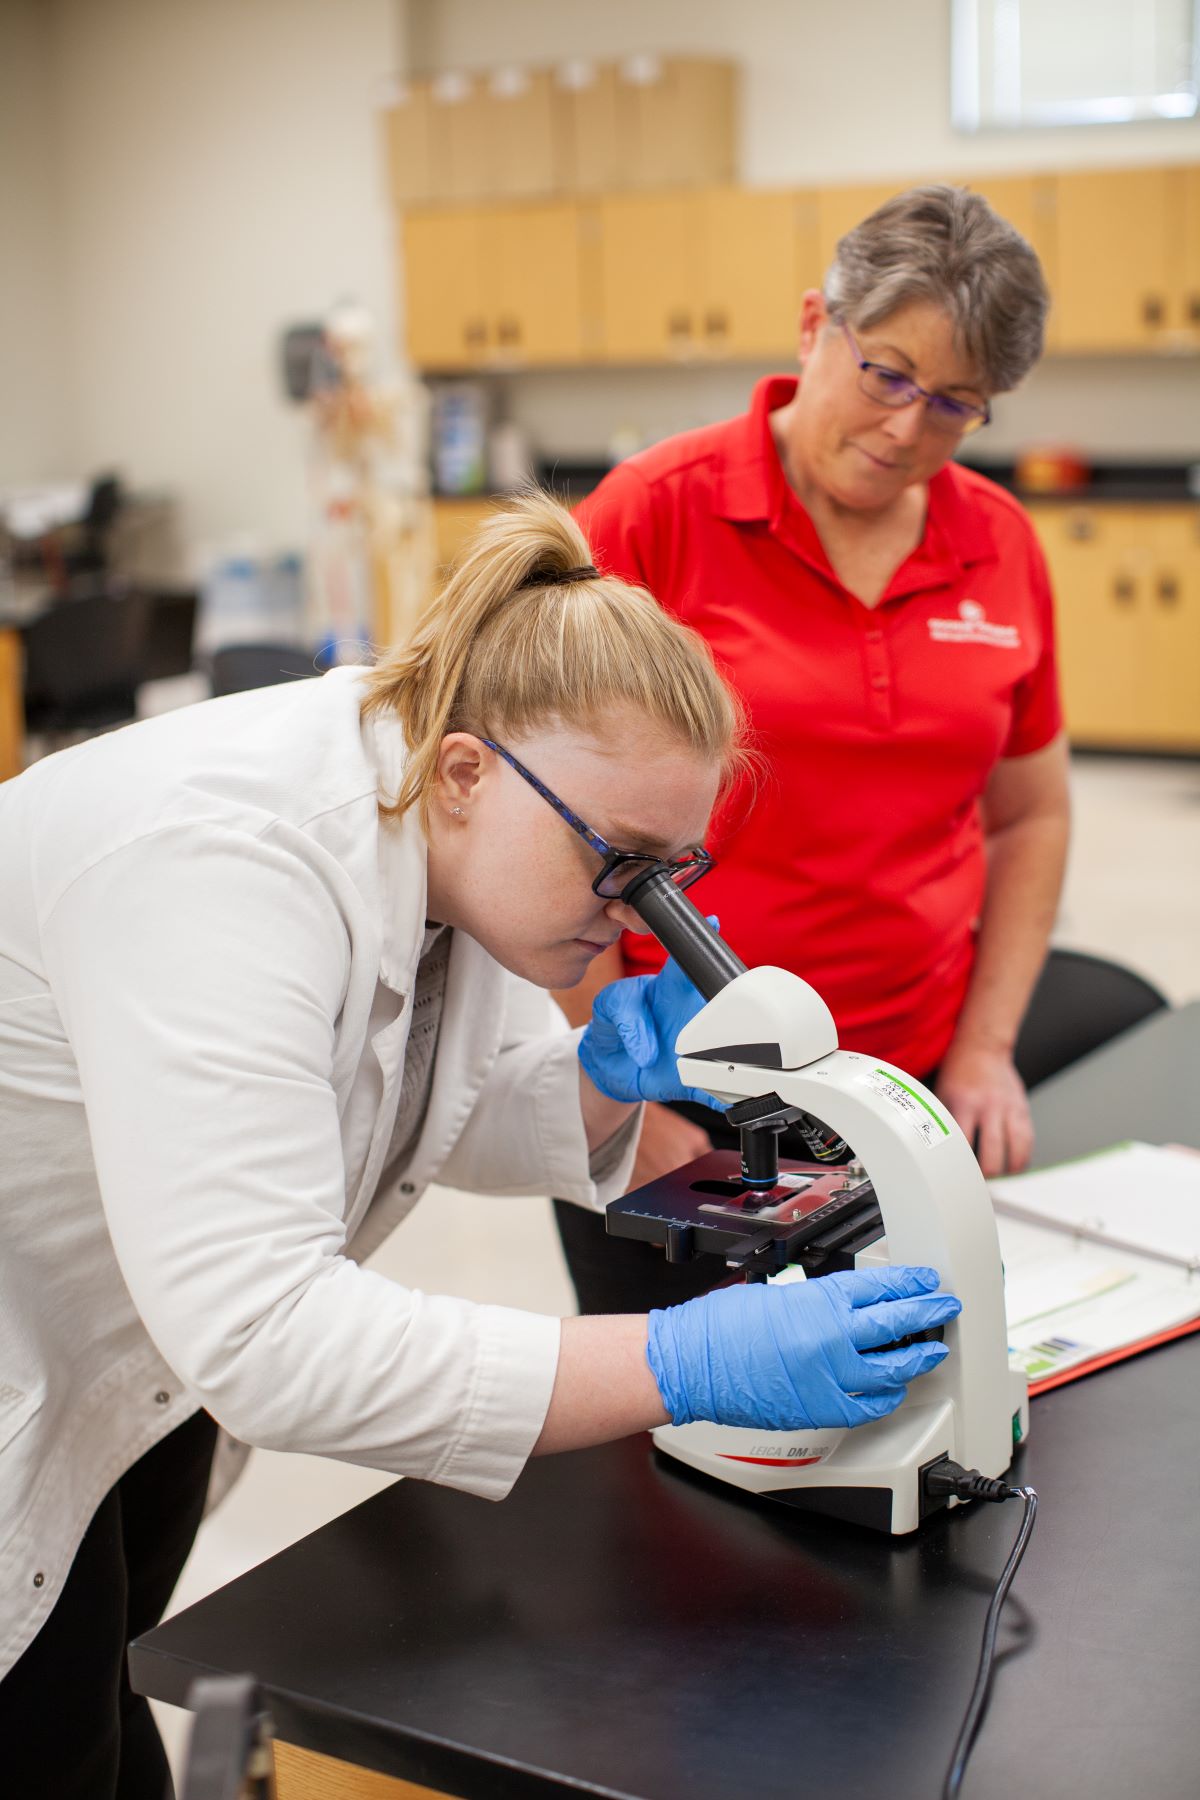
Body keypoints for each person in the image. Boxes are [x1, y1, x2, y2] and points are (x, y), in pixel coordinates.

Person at [0, 493, 960, 1797]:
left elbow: (453, 1111)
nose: (638, 919)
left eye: (671, 874)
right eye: (622, 867)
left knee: (112, 1710)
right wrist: (679, 1361)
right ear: (467, 770)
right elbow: (276, 1339)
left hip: (129, 1350)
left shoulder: (447, 818)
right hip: (40, 1343)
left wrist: (610, 1085)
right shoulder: (228, 861)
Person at [552, 184, 1070, 1315]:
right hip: (683, 1097)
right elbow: (529, 815)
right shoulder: (652, 515)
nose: (906, 430)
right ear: (812, 325)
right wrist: (619, 1103)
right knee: (676, 1467)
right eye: (886, 373)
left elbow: (1030, 815)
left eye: (955, 405)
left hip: (908, 1082)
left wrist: (981, 1053)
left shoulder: (1001, 544)